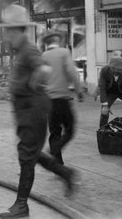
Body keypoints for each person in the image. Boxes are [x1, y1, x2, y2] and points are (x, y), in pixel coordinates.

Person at [0, 5, 76, 219]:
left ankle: (21, 205)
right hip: (26, 112)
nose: (6, 35)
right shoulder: (21, 49)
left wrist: (33, 85)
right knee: (29, 154)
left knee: (26, 156)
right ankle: (64, 172)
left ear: (15, 30)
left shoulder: (29, 48)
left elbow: (44, 69)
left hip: (32, 111)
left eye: (7, 31)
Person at [41, 29, 84, 165]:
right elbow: (72, 72)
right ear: (57, 41)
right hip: (62, 99)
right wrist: (79, 91)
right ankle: (55, 150)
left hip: (49, 101)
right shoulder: (64, 53)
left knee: (54, 132)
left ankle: (58, 163)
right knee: (70, 130)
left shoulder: (44, 56)